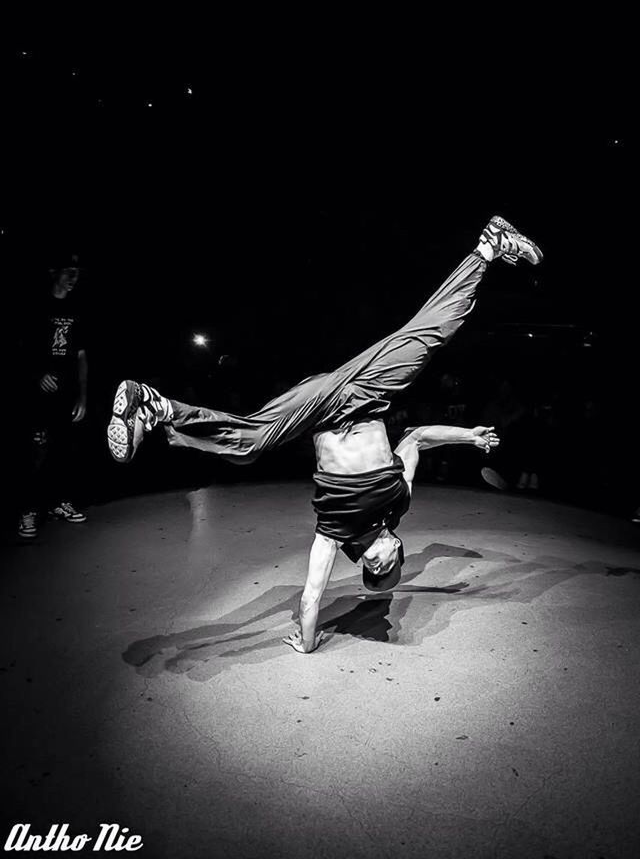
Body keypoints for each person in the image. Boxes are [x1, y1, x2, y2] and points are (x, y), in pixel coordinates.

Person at [107, 216, 542, 651]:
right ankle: (489, 247)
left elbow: (313, 592)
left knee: (250, 446)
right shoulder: (398, 502)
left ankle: (157, 406)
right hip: (368, 391)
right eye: (389, 565)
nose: (383, 560)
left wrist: (308, 641)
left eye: (376, 569)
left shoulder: (333, 531)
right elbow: (416, 438)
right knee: (429, 336)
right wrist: (470, 436)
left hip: (321, 408)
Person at [17, 251, 89, 539]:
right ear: (54, 272)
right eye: (69, 272)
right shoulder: (36, 306)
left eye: (78, 274)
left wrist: (83, 396)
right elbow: (19, 349)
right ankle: (27, 509)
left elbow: (82, 355)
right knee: (37, 451)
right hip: (37, 394)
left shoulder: (78, 309)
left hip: (67, 392)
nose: (73, 279)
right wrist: (37, 374)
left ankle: (59, 503)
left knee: (64, 449)